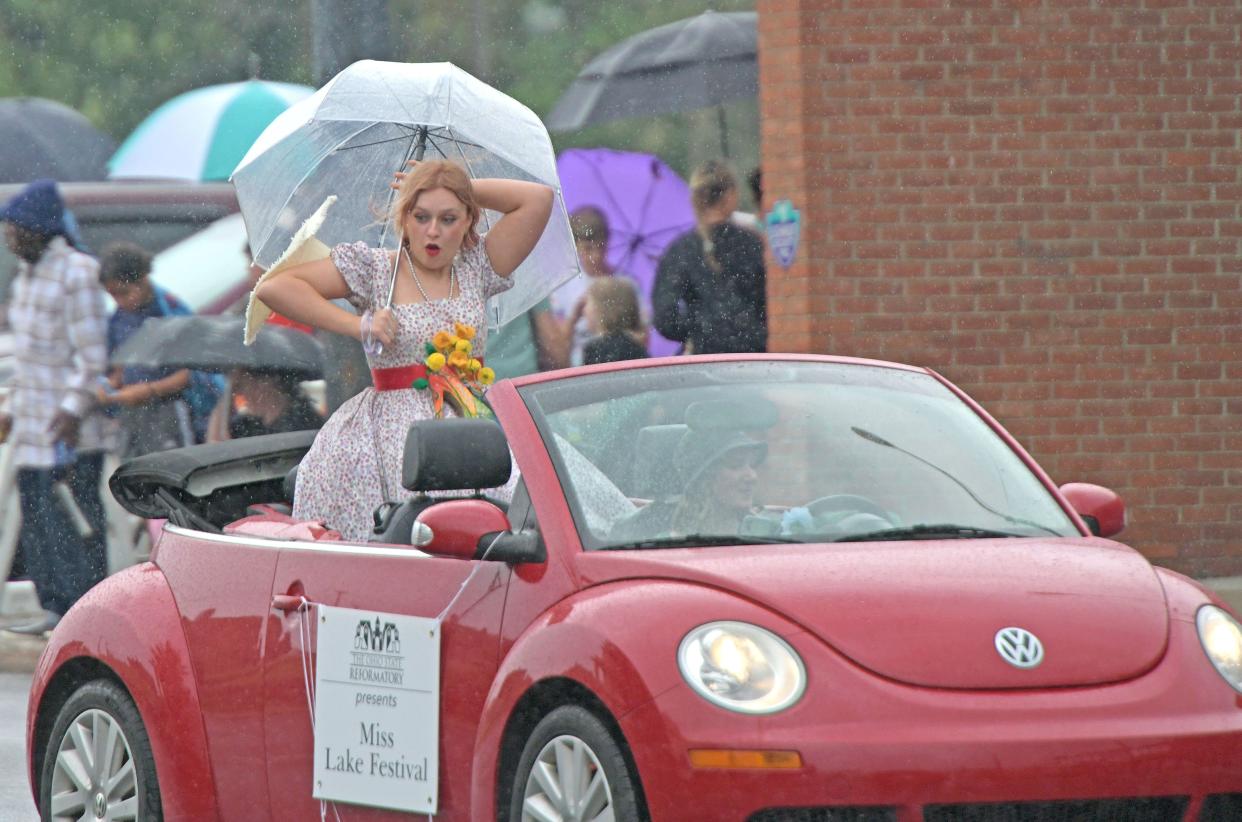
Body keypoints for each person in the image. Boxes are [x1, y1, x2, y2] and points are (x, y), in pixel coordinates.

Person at [254, 159, 552, 541]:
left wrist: (454, 183)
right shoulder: (376, 270)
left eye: (449, 219)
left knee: (525, 517)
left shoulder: (478, 266)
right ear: (404, 218)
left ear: (468, 223)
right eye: (421, 215)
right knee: (404, 533)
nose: (433, 231)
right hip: (389, 432)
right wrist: (360, 325)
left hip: (472, 421)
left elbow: (538, 199)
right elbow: (273, 288)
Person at [0, 179, 108, 635]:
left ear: (38, 228)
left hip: (69, 432)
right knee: (40, 525)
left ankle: (85, 614)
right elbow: (25, 357)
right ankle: (53, 607)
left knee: (76, 525)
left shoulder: (77, 273)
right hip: (30, 427)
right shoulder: (26, 277)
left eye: (14, 231)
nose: (9, 240)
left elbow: (92, 358)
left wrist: (71, 409)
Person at [96, 241, 223, 455]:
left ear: (143, 279)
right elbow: (120, 362)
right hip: (134, 414)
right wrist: (111, 385)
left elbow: (192, 372)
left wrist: (149, 390)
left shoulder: (169, 313)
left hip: (172, 411)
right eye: (112, 295)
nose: (119, 301)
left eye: (124, 293)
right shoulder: (119, 318)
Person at [652, 160, 768, 355]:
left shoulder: (681, 251)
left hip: (704, 360)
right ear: (731, 196)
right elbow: (769, 303)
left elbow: (664, 317)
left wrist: (699, 329)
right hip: (753, 359)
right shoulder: (752, 245)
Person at [608, 425, 766, 543]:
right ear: (703, 477)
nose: (752, 476)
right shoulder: (648, 538)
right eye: (735, 465)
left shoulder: (772, 531)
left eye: (752, 465)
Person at [220, 368, 325, 440]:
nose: (241, 394)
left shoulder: (302, 423)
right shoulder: (250, 424)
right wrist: (229, 389)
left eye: (242, 385)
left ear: (266, 382)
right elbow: (217, 444)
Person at [582, 276, 648, 366]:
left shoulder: (596, 350)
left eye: (588, 303)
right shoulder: (636, 345)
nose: (584, 310)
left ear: (601, 309)